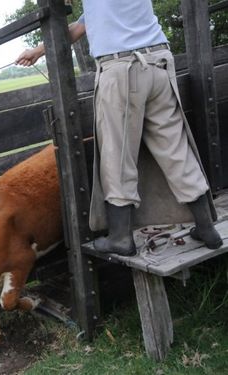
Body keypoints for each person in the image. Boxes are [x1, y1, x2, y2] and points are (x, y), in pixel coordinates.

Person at [16, 0, 223, 256]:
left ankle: (121, 238)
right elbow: (81, 25)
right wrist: (39, 49)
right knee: (176, 149)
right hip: (157, 61)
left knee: (117, 155)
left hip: (122, 68)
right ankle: (206, 227)